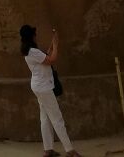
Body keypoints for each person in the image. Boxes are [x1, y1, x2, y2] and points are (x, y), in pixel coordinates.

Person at [20, 24, 82, 157]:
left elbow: (45, 57)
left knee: (45, 117)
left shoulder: (30, 51)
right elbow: (52, 59)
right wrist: (56, 45)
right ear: (31, 36)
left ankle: (48, 149)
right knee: (57, 118)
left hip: (39, 86)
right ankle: (70, 150)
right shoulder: (33, 51)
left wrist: (53, 45)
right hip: (44, 87)